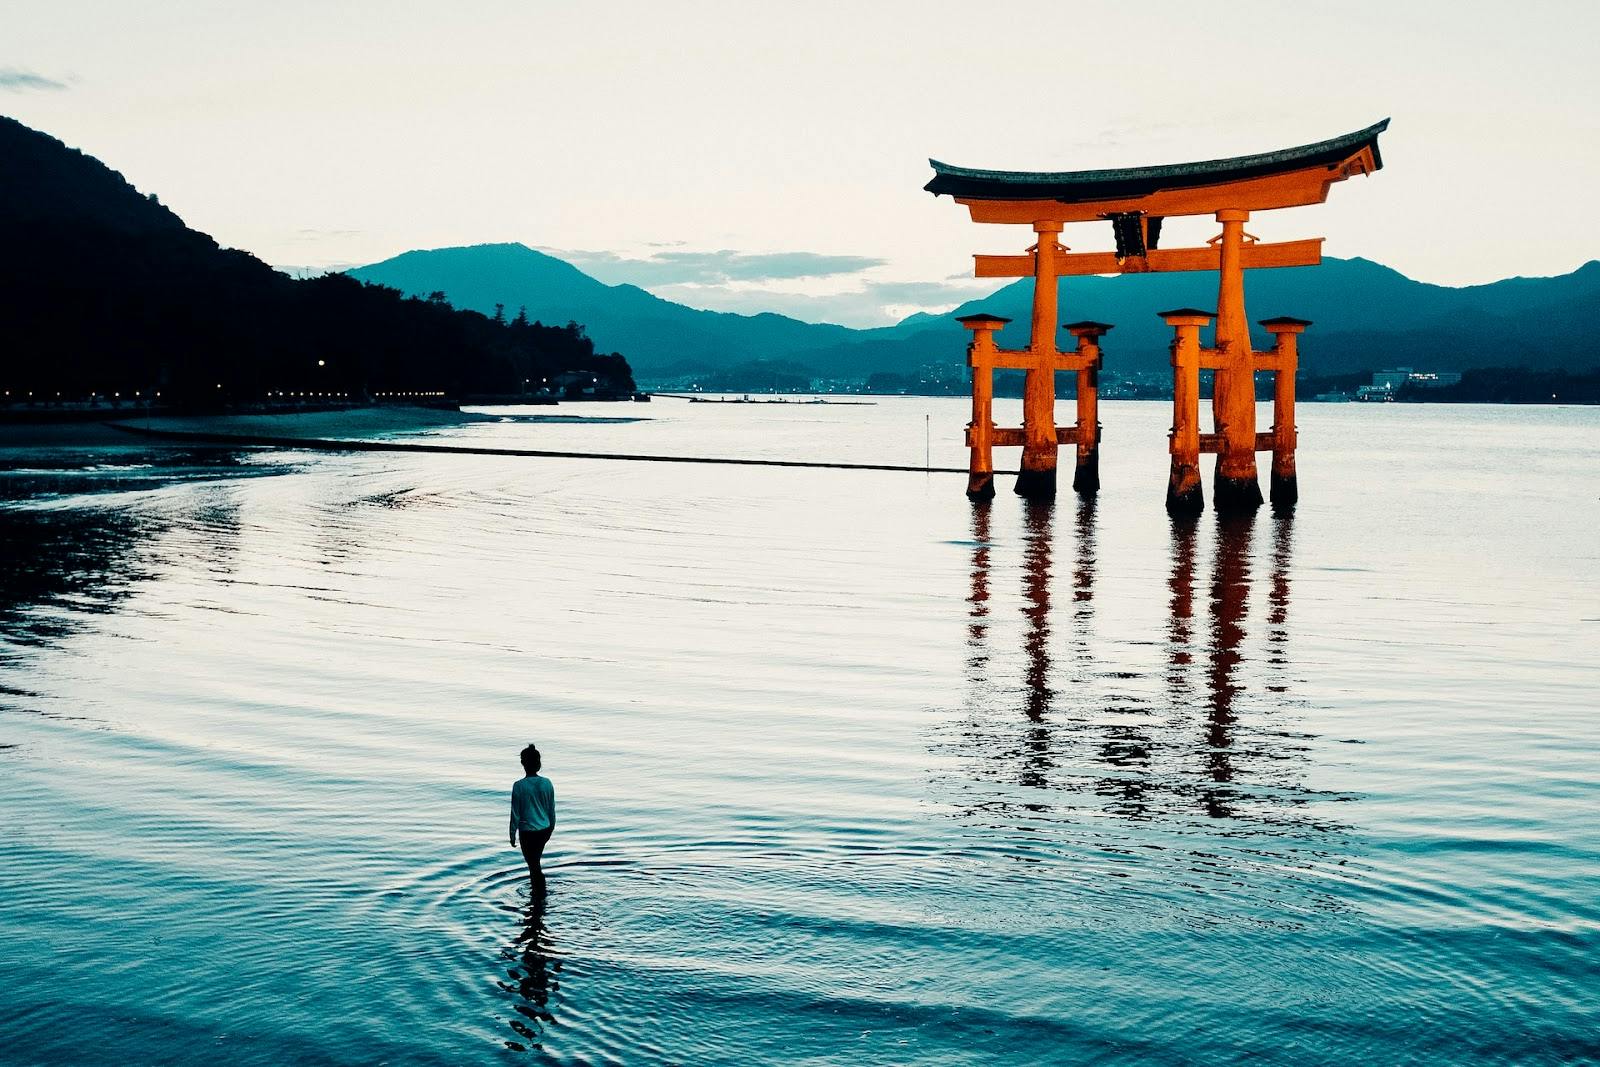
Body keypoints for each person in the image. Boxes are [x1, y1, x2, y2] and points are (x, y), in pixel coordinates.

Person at [509, 744, 556, 885]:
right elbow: (551, 810)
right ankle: (538, 898)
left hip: (528, 833)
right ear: (539, 764)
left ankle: (539, 896)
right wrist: (551, 829)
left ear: (523, 763)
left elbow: (515, 814)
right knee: (535, 864)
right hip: (544, 830)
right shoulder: (547, 783)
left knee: (533, 866)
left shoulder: (518, 786)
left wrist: (512, 835)